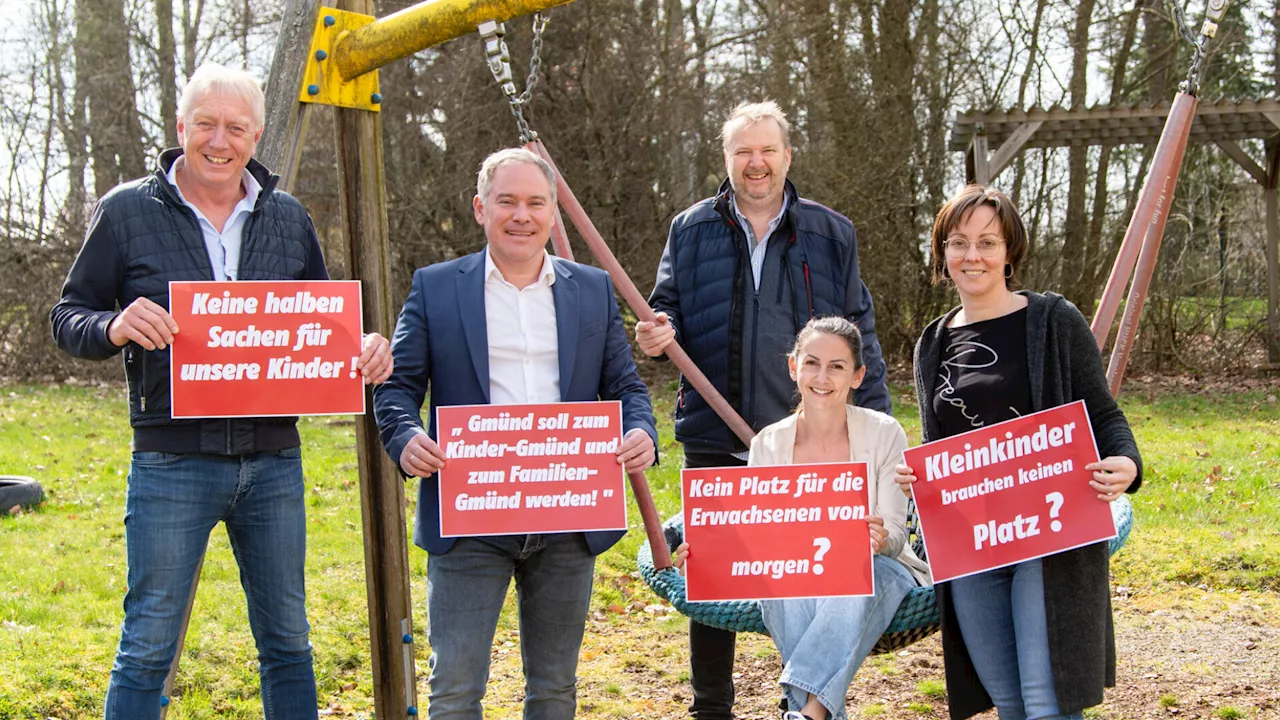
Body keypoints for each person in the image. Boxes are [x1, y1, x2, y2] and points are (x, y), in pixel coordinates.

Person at [48, 63, 393, 719]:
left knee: (289, 643)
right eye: (205, 123)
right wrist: (115, 325)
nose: (219, 140)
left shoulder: (289, 219)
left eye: (235, 127)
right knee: (148, 647)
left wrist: (366, 349)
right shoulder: (127, 210)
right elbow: (68, 318)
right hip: (170, 462)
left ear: (257, 136)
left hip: (273, 463)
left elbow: (325, 330)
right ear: (181, 127)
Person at [372, 147, 658, 719]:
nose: (521, 215)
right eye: (507, 201)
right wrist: (404, 439)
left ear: (553, 214)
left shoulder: (593, 288)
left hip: (566, 514)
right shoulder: (436, 288)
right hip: (469, 514)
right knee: (454, 689)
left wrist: (641, 431)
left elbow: (625, 386)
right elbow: (396, 387)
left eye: (535, 203)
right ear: (481, 208)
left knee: (554, 688)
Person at [637, 100, 891, 719]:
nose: (756, 162)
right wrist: (653, 332)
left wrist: (878, 426)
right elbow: (663, 307)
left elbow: (859, 332)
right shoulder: (690, 229)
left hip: (804, 440)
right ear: (726, 159)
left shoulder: (831, 233)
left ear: (787, 156)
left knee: (816, 570)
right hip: (714, 429)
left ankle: (805, 700)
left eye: (767, 150)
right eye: (742, 151)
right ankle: (712, 707)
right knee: (713, 574)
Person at [894, 184, 1142, 720]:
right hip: (973, 542)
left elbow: (1103, 414)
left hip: (1048, 538)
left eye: (987, 242)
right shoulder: (932, 342)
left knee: (1045, 699)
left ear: (1010, 251)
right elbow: (941, 445)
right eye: (958, 242)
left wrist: (1127, 463)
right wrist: (917, 476)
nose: (972, 255)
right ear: (942, 253)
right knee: (1008, 701)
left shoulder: (1053, 321)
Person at [674, 316, 929, 720]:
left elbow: (897, 534)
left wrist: (880, 537)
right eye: (811, 363)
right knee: (781, 585)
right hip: (799, 575)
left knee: (858, 569)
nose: (822, 376)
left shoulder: (886, 433)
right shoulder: (769, 444)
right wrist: (706, 555)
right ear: (794, 367)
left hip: (883, 570)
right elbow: (759, 537)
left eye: (837, 366)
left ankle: (807, 711)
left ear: (858, 376)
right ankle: (813, 713)